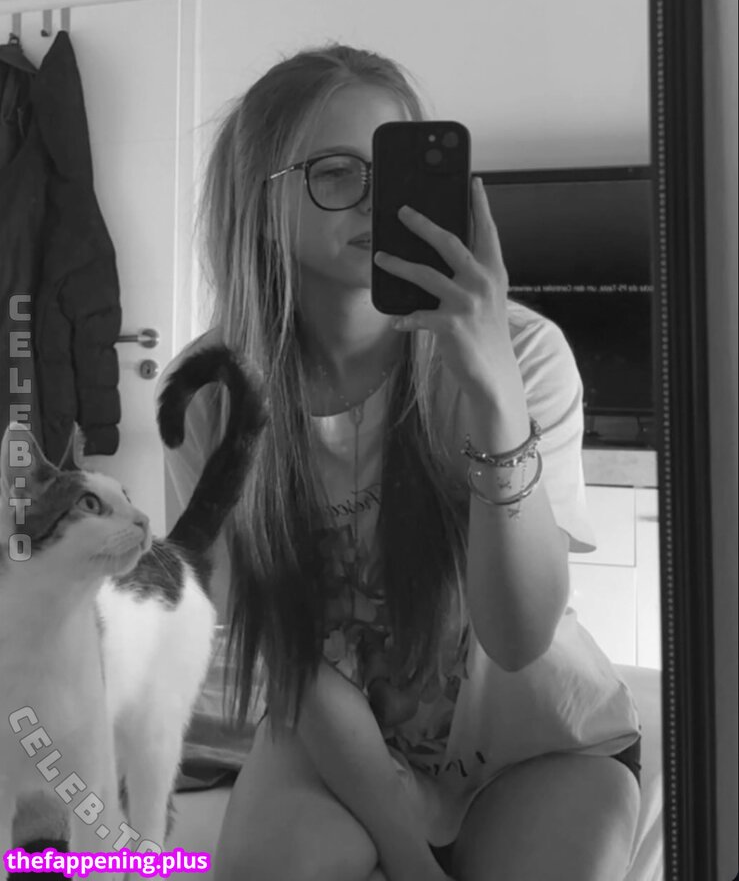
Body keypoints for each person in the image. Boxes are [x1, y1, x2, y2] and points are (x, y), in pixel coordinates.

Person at [160, 44, 642, 881]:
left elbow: (518, 638)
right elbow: (297, 662)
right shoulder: (209, 396)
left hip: (538, 741)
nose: (376, 198)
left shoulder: (524, 352)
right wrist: (410, 857)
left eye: (395, 168)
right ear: (260, 202)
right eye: (336, 172)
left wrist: (495, 399)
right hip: (333, 739)